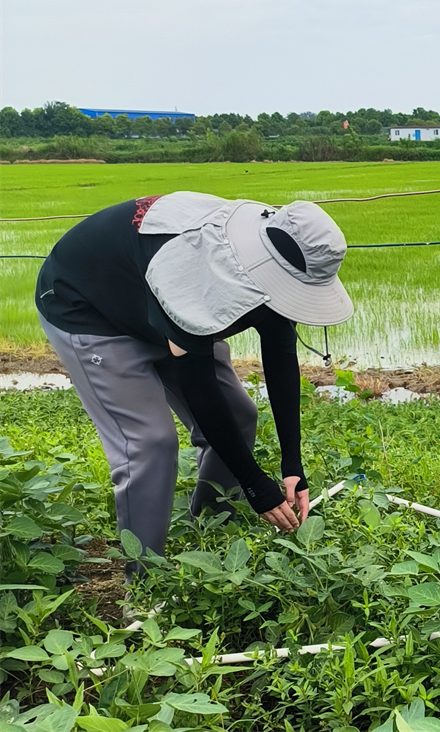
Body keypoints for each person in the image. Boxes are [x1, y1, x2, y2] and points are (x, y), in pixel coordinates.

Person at [35, 192, 354, 575]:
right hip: (88, 306)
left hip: (155, 300)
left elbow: (281, 353)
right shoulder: (196, 264)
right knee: (149, 443)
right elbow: (199, 387)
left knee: (239, 414)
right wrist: (254, 484)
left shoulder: (267, 258)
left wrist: (292, 466)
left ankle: (210, 529)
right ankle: (144, 583)